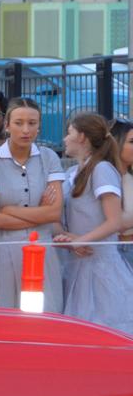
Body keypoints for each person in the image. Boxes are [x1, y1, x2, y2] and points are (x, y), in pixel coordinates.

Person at [0, 98, 64, 311]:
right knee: (5, 320)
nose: (26, 129)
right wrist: (39, 213)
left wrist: (9, 210)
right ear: (7, 125)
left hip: (43, 252)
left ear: (39, 126)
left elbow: (54, 213)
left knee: (45, 319)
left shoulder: (49, 157)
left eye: (32, 123)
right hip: (2, 253)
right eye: (19, 122)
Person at [54, 114, 133, 334]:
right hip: (77, 264)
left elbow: (114, 221)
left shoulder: (102, 169)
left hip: (100, 267)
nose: (64, 139)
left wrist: (80, 240)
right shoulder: (72, 173)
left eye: (69, 133)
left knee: (106, 329)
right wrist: (69, 238)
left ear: (81, 137)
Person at [106, 118, 133, 267]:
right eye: (132, 142)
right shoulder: (101, 177)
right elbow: (117, 223)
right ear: (116, 143)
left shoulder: (129, 178)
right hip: (111, 252)